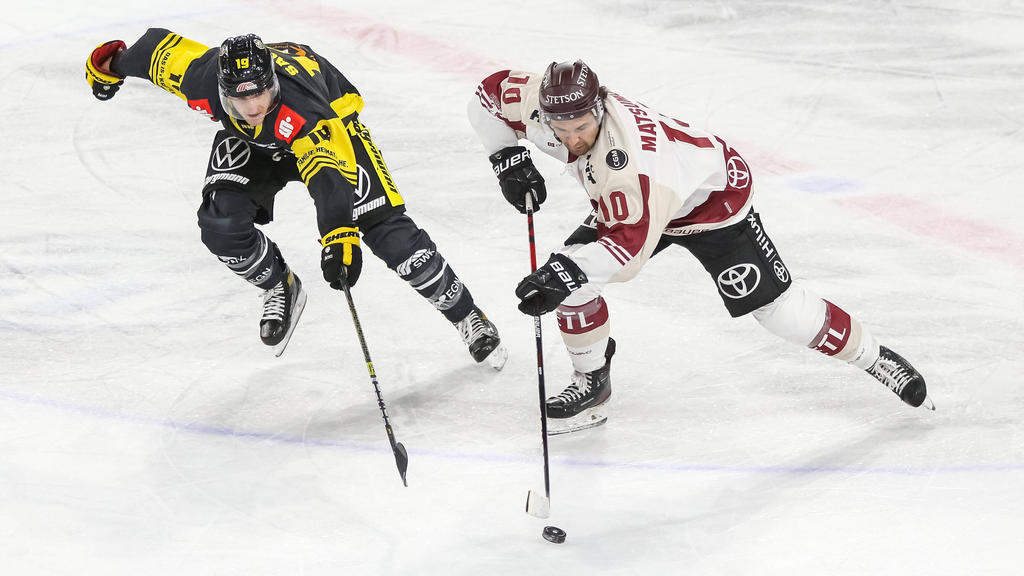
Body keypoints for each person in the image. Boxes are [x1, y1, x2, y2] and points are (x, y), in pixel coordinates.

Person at [467, 60, 932, 433]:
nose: (571, 137)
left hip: (710, 204)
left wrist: (562, 273)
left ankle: (874, 357)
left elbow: (627, 252)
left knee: (780, 313)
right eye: (560, 127)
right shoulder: (536, 99)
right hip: (639, 205)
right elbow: (485, 98)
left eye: (582, 125)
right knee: (573, 286)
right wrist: (507, 157)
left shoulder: (628, 164)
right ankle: (593, 382)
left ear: (602, 107)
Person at [85, 30, 506, 368]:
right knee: (221, 224)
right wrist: (109, 66)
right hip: (256, 146)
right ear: (221, 88)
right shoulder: (200, 77)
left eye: (260, 95)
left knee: (389, 235)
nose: (251, 107)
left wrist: (339, 238)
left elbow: (329, 180)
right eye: (239, 98)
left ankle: (467, 315)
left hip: (328, 133)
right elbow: (153, 50)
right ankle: (279, 284)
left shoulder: (307, 112)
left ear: (272, 84)